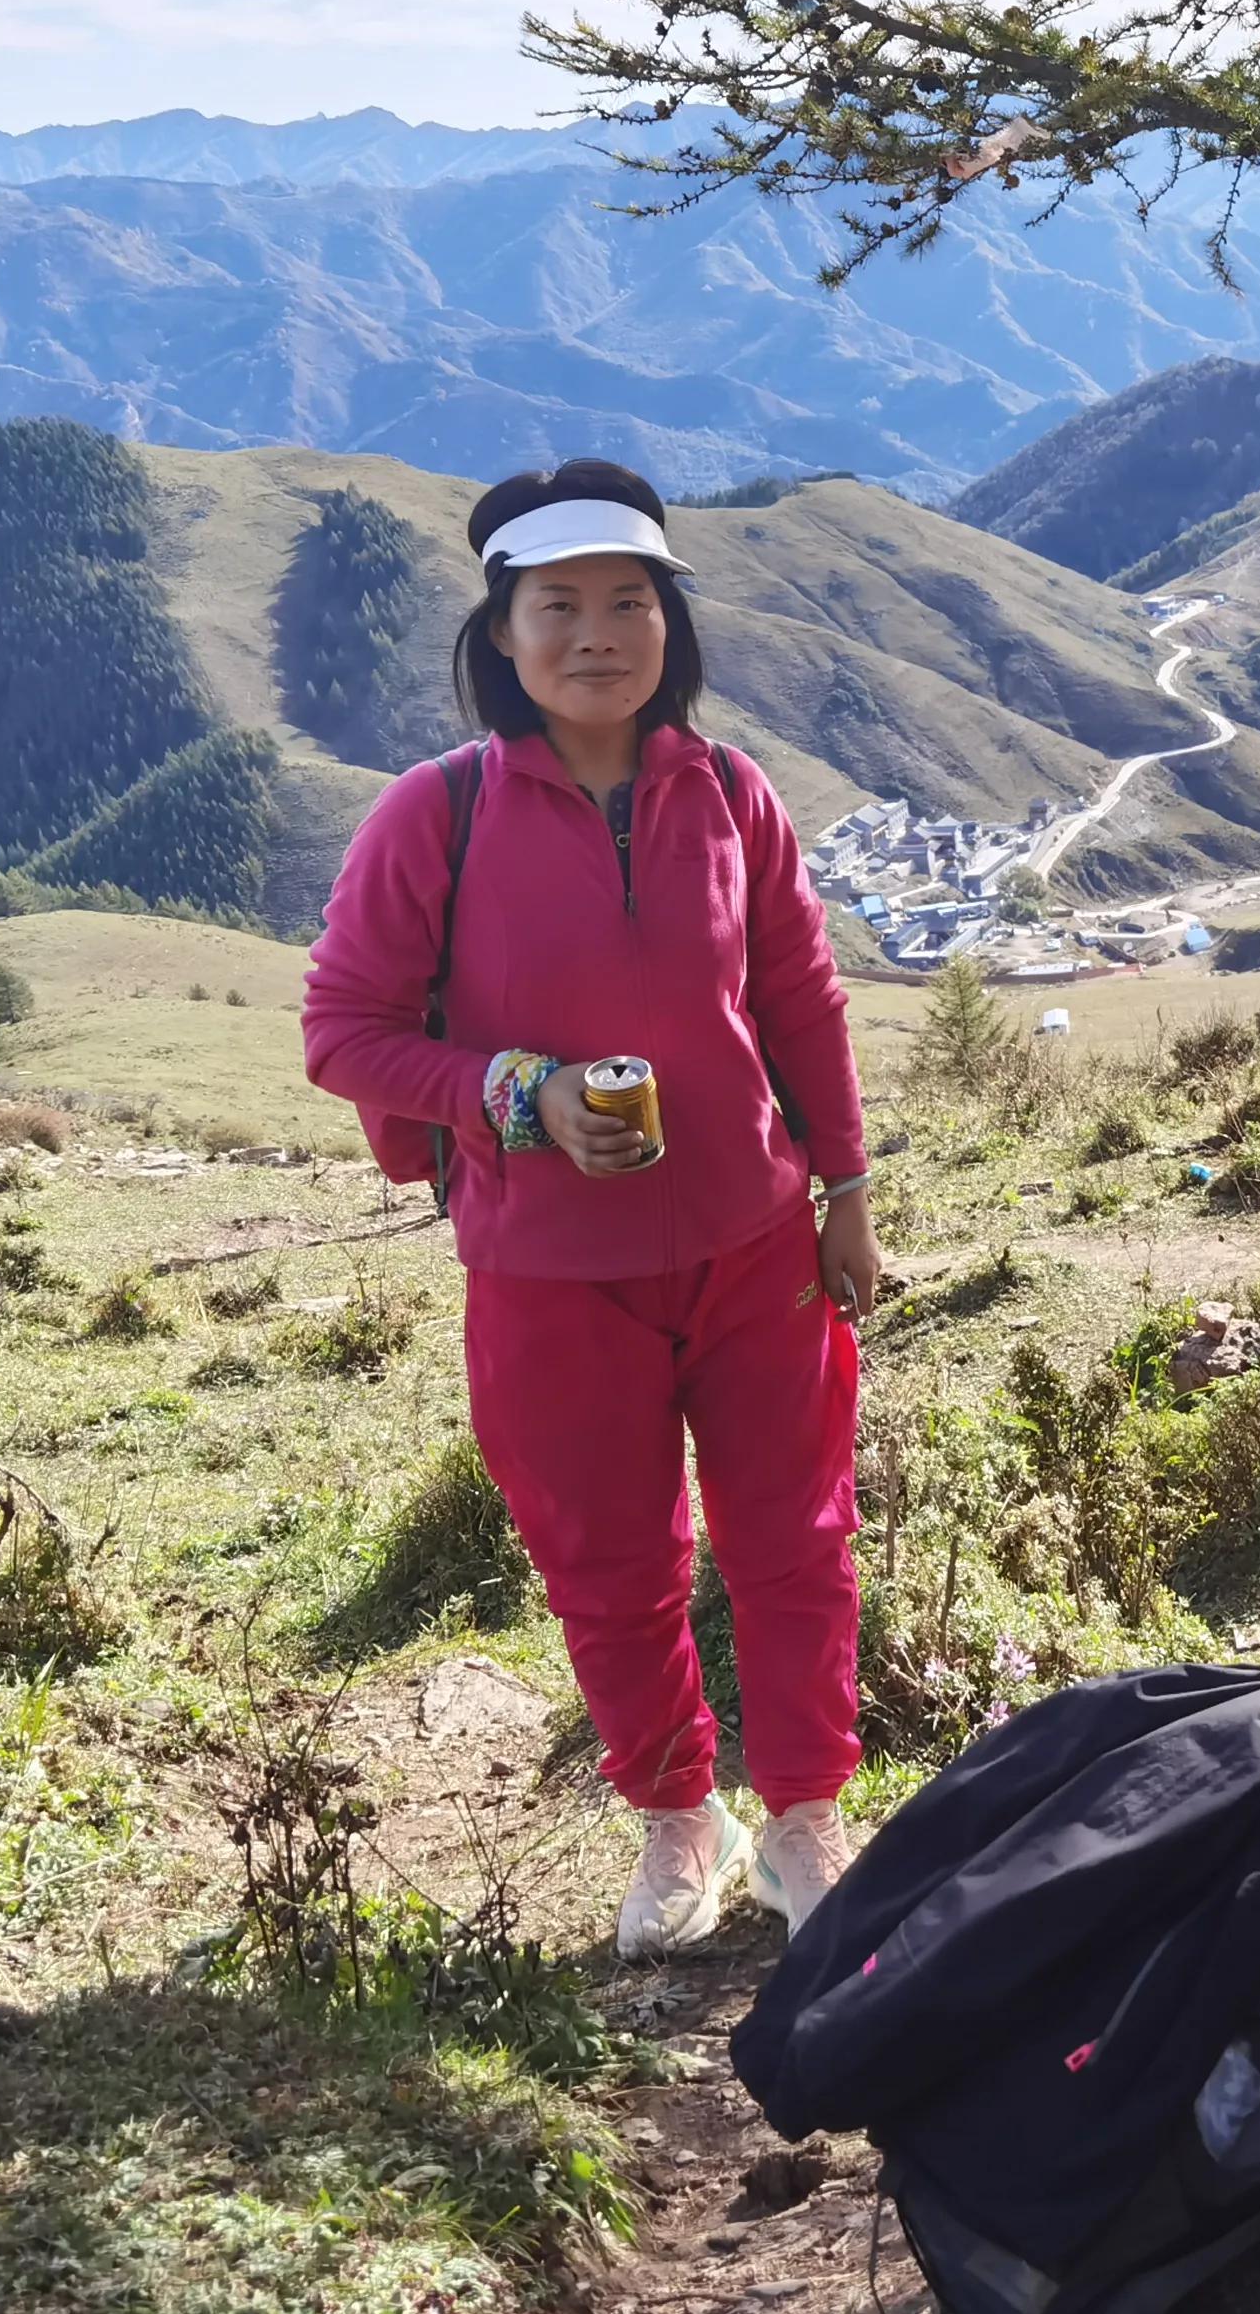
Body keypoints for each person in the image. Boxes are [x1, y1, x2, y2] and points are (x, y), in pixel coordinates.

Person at [305, 460, 883, 1955]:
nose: (596, 636)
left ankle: (808, 1819)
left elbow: (800, 1000)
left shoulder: (733, 792)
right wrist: (518, 1095)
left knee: (798, 1538)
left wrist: (848, 1190)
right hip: (550, 1268)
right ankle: (679, 1819)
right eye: (556, 607)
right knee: (610, 1559)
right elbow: (344, 1028)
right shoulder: (433, 816)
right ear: (501, 636)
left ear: (668, 627)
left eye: (629, 604)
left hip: (756, 1241)